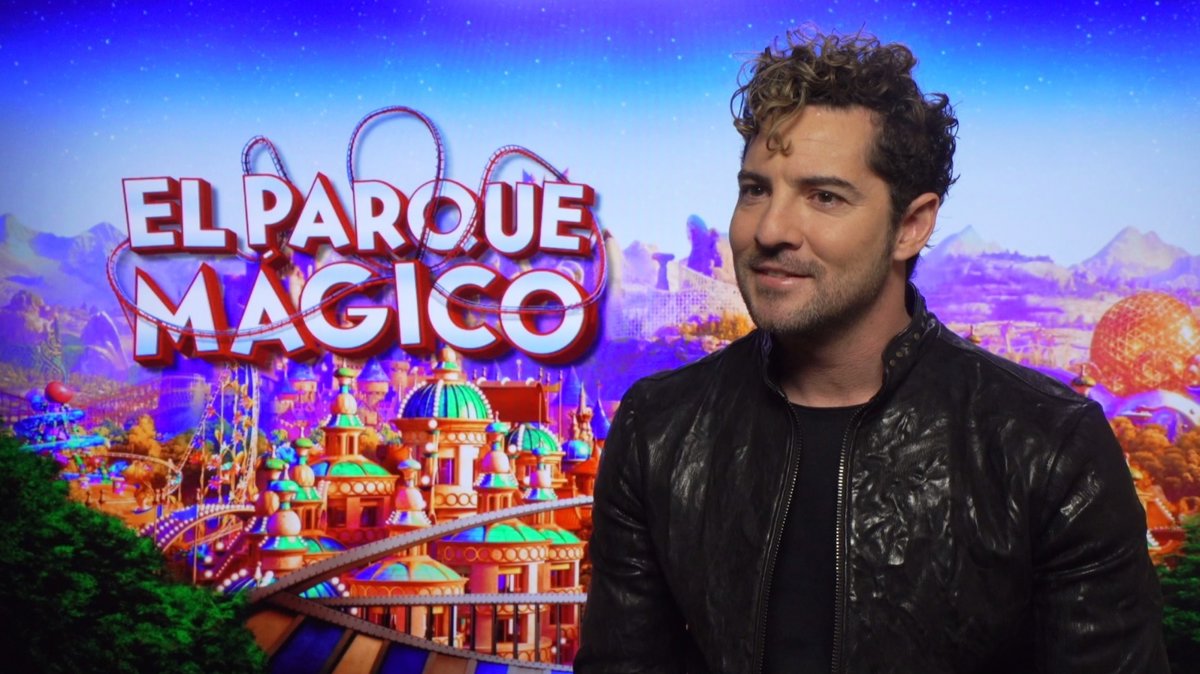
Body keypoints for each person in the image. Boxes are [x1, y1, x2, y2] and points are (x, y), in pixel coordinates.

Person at [576, 29, 1167, 673]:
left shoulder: (1049, 446)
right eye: (756, 189)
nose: (770, 230)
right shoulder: (658, 430)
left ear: (910, 226)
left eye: (824, 196)